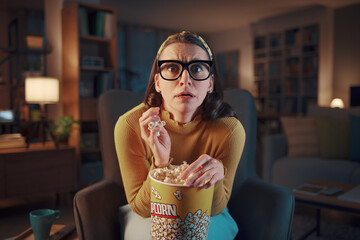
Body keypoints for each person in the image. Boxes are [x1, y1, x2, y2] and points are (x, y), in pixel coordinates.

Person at [114, 31, 245, 239]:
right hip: (151, 213)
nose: (185, 80)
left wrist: (217, 175)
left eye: (198, 68)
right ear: (158, 82)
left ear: (210, 83)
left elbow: (216, 208)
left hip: (206, 213)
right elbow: (141, 208)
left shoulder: (230, 130)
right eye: (173, 68)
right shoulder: (129, 125)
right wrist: (160, 163)